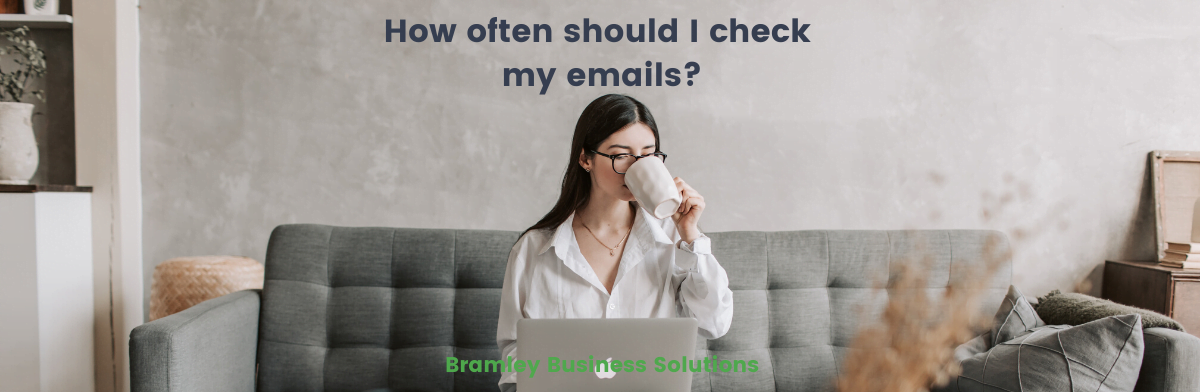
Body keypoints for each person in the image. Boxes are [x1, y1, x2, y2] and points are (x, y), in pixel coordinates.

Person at [495, 94, 734, 391]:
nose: (637, 166)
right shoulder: (534, 250)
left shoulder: (673, 241)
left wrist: (690, 236)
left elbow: (714, 322)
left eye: (648, 155)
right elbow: (515, 354)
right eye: (621, 155)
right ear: (586, 159)